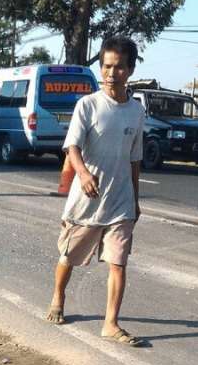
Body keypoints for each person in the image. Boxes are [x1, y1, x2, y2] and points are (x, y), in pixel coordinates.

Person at [45, 36, 146, 347]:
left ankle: (111, 323)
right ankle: (58, 298)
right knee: (69, 256)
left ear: (130, 69)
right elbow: (71, 146)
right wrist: (84, 172)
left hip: (121, 201)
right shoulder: (87, 105)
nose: (110, 73)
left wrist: (136, 199)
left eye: (118, 67)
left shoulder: (136, 111)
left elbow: (135, 159)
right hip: (87, 201)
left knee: (119, 263)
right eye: (106, 66)